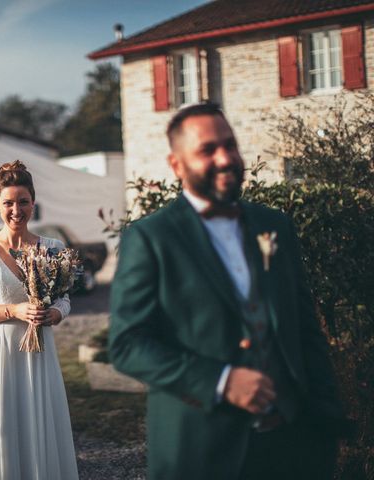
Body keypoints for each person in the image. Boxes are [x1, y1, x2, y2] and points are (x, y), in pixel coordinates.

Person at [109, 103, 347, 480]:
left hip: (292, 444)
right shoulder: (152, 238)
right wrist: (220, 381)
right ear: (177, 165)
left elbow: (304, 329)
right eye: (207, 150)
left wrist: (326, 421)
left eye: (230, 145)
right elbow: (127, 345)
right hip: (202, 449)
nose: (225, 158)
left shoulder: (274, 226)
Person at [0, 160, 79, 480]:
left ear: (33, 204)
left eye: (23, 202)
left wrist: (54, 313)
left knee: (37, 422)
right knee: (1, 426)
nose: (16, 210)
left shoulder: (52, 248)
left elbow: (64, 298)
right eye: (8, 203)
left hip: (38, 353)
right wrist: (15, 310)